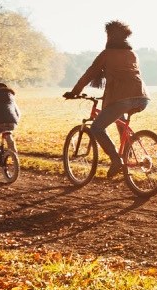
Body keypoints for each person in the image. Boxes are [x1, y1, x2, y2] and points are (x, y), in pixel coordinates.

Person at [63, 20, 151, 177]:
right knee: (120, 118)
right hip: (142, 97)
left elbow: (90, 73)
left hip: (121, 98)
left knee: (96, 128)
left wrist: (74, 92)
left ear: (110, 37)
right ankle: (127, 152)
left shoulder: (107, 54)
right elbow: (125, 76)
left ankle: (116, 160)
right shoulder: (132, 54)